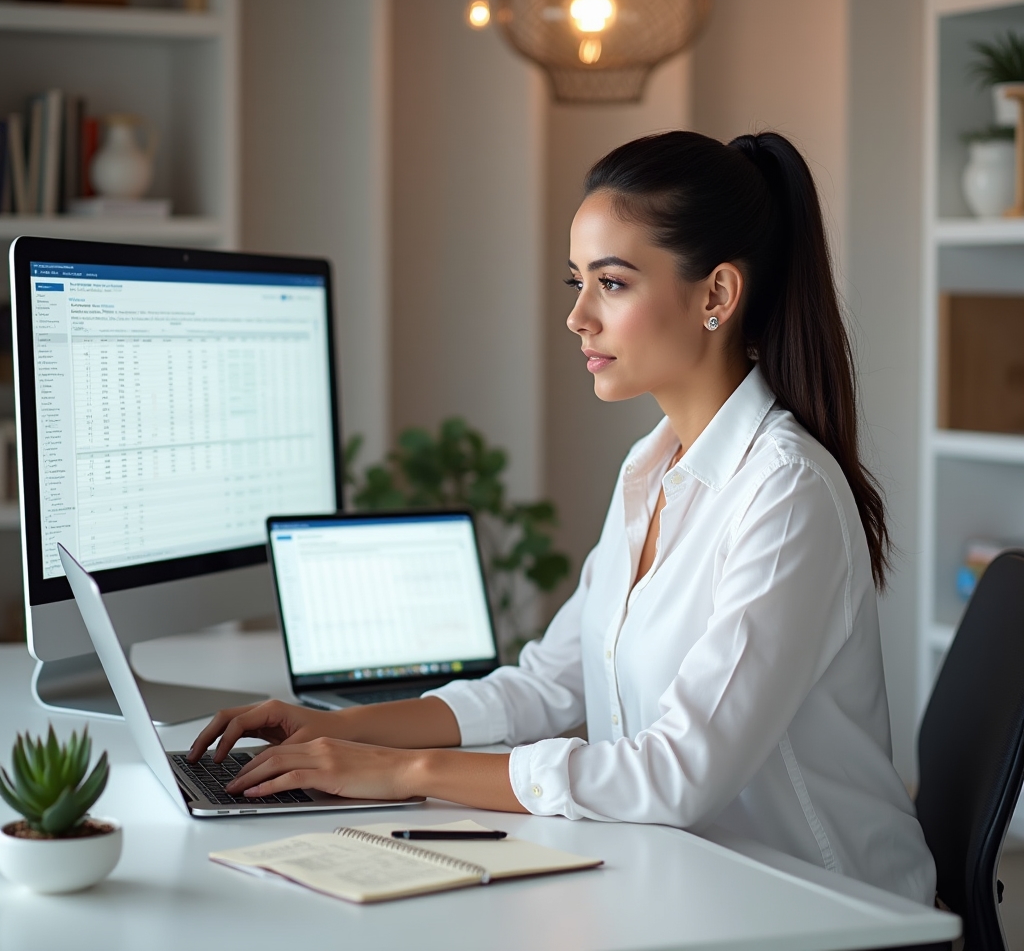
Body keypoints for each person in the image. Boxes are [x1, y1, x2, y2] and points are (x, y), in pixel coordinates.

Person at [189, 130, 936, 904]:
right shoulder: (654, 470)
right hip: (692, 884)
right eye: (575, 282)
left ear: (716, 295)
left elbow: (675, 774)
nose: (578, 317)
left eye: (611, 284)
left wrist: (399, 771)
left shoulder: (787, 495)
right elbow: (547, 686)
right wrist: (340, 729)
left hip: (826, 908)